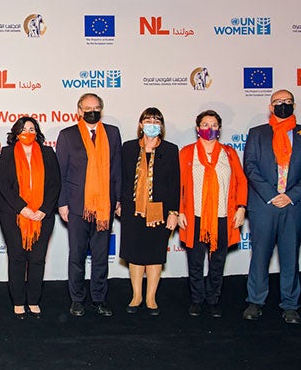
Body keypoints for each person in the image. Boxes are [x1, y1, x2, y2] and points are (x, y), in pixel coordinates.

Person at [243, 90, 301, 324]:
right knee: (260, 256)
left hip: (294, 206)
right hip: (263, 205)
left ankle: (290, 305)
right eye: (278, 102)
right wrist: (271, 195)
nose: (283, 105)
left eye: (287, 102)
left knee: (290, 257)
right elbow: (250, 166)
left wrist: (290, 196)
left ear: (294, 105)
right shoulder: (257, 134)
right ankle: (255, 302)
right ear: (270, 105)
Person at [56, 93, 122, 317]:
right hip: (77, 206)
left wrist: (119, 199)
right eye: (87, 108)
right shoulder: (67, 135)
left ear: (101, 110)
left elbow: (117, 169)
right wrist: (62, 203)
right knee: (77, 255)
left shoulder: (112, 133)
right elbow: (60, 173)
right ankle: (77, 299)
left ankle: (99, 298)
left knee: (101, 256)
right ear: (79, 111)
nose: (92, 111)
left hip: (105, 205)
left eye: (96, 107)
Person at [179, 110, 248, 318]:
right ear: (197, 128)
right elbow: (178, 184)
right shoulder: (187, 153)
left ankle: (213, 299)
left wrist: (241, 208)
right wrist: (180, 211)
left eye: (214, 124)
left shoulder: (229, 153)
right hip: (195, 216)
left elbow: (241, 181)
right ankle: (197, 300)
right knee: (196, 262)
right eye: (205, 124)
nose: (210, 128)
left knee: (218, 261)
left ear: (219, 128)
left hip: (222, 217)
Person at [0, 117, 61, 319]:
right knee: (16, 258)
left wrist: (44, 209)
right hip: (13, 215)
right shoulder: (7, 154)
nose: (28, 132)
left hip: (43, 215)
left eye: (32, 128)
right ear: (16, 133)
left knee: (37, 259)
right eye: (23, 129)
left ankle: (33, 300)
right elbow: (2, 184)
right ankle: (18, 301)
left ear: (38, 132)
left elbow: (55, 184)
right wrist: (21, 208)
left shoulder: (48, 153)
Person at [119, 108, 179, 316]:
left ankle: (151, 298)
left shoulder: (171, 150)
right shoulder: (127, 148)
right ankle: (136, 296)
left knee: (154, 255)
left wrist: (174, 212)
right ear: (140, 124)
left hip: (159, 212)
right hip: (132, 210)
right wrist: (118, 202)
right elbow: (121, 178)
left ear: (161, 126)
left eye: (156, 120)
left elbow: (175, 184)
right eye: (148, 119)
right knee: (134, 255)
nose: (152, 123)